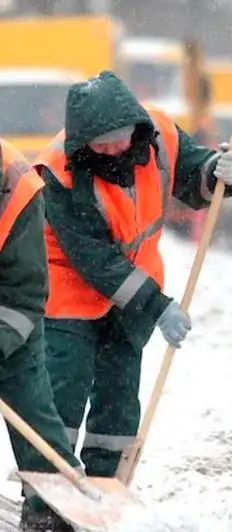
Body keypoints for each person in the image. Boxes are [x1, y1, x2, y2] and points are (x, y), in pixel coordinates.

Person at [33, 71, 232, 483]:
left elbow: (195, 178)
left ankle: (106, 486)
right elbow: (96, 261)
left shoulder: (159, 135)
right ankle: (47, 498)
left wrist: (224, 172)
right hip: (70, 294)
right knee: (63, 394)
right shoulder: (59, 170)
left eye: (119, 138)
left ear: (135, 127)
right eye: (101, 143)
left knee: (119, 398)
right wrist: (159, 306)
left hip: (133, 292)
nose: (113, 149)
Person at [0, 139, 85, 531]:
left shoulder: (17, 192)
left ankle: (54, 507)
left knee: (31, 409)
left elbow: (24, 296)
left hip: (8, 305)